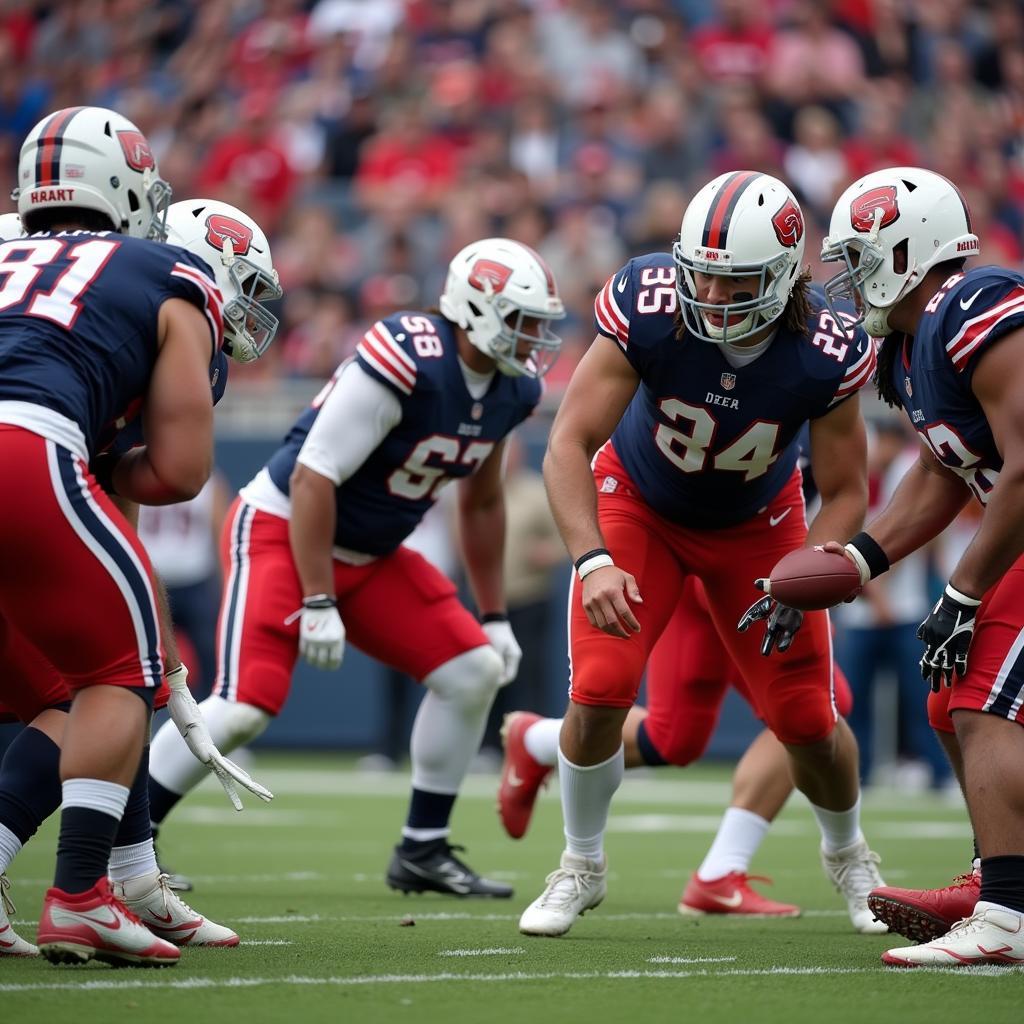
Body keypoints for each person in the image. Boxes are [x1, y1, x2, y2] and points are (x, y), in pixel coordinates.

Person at [516, 171, 885, 938]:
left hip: (758, 523)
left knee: (808, 719)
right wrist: (591, 559)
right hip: (638, 503)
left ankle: (850, 858)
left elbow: (848, 491)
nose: (713, 297)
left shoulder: (828, 346)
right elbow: (567, 444)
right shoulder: (649, 308)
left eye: (735, 281)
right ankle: (580, 865)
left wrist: (809, 568)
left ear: (784, 278)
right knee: (602, 689)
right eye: (703, 276)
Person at [146, 237, 566, 898]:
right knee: (243, 706)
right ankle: (124, 841)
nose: (536, 338)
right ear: (476, 309)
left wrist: (494, 614)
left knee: (474, 670)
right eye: (523, 321)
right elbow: (315, 477)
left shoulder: (513, 389)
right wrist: (317, 600)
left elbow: (482, 503)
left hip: (371, 554)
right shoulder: (408, 355)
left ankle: (423, 848)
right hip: (286, 530)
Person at [0, 194, 281, 958]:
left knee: (74, 698)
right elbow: (168, 474)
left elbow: (109, 501)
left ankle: (132, 876)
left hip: (36, 469)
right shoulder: (166, 286)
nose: (244, 312)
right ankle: (93, 889)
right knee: (114, 680)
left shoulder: (47, 269)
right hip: (25, 459)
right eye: (242, 287)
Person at [811, 165, 1024, 966]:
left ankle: (1008, 915)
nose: (851, 278)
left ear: (909, 251)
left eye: (862, 258)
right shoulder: (908, 349)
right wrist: (862, 556)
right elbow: (944, 468)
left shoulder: (972, 305)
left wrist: (964, 591)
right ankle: (999, 874)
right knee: (947, 702)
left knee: (982, 701)